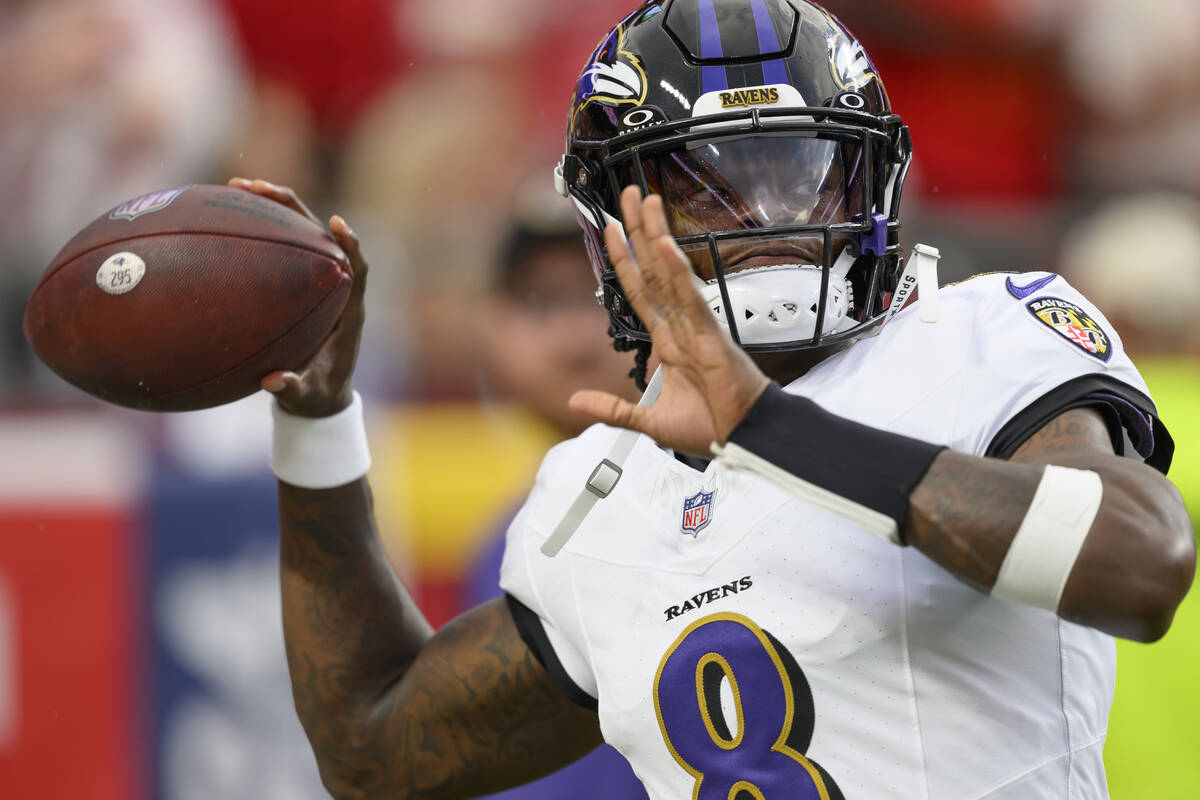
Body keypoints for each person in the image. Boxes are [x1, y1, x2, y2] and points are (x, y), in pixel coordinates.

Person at [234, 1, 1194, 797]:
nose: (769, 220)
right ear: (609, 226)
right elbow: (374, 746)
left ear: (872, 181)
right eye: (708, 192)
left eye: (802, 173)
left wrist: (766, 429)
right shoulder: (598, 488)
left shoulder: (981, 333)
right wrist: (316, 426)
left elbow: (1141, 565)